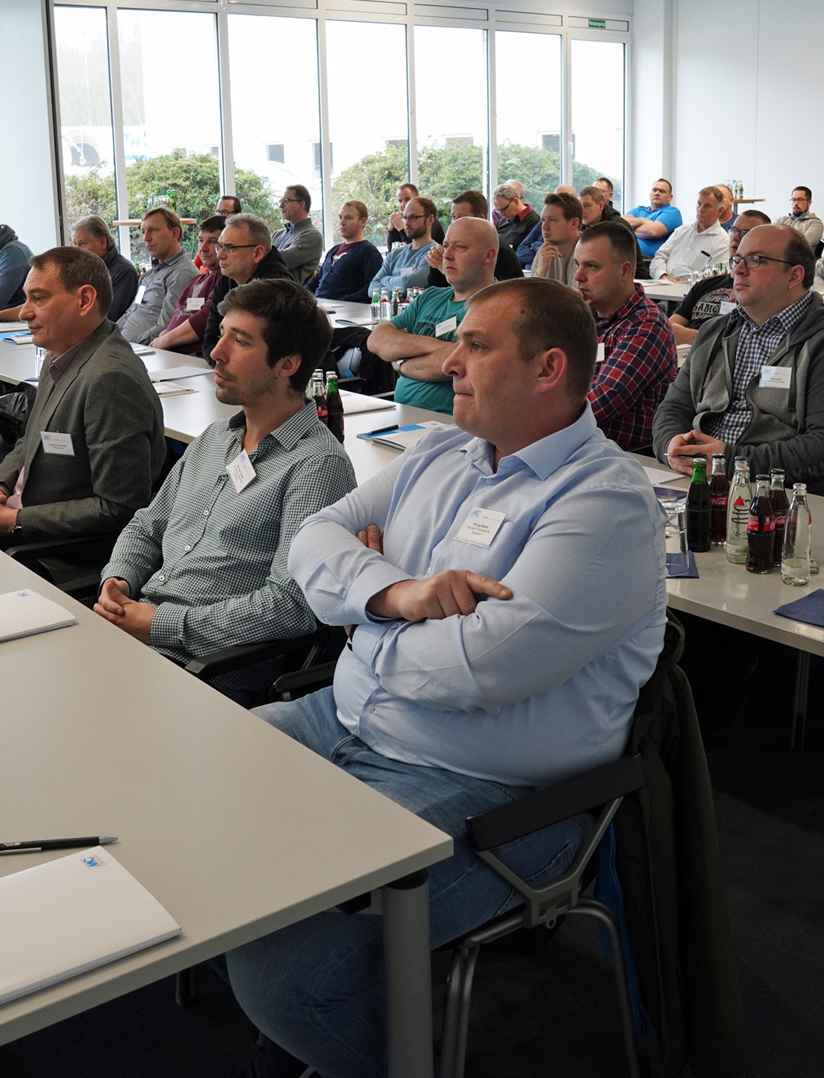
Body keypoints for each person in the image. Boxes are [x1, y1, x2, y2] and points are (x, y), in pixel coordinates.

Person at [232, 277, 666, 1078]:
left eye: (475, 345)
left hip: (493, 793)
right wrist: (398, 595)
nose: (449, 361)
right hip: (345, 720)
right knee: (198, 794)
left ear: (548, 368)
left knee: (289, 979)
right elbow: (311, 542)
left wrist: (361, 621)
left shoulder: (607, 503)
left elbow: (480, 669)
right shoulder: (439, 452)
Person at [94, 279, 355, 699]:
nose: (216, 352)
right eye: (221, 335)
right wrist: (119, 579)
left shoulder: (316, 467)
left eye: (240, 341)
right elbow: (147, 526)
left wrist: (159, 624)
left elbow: (290, 607)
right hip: (133, 631)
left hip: (199, 669)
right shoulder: (216, 438)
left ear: (287, 364)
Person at [0, 247, 166, 583]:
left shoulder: (110, 378)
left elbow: (119, 508)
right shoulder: (62, 354)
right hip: (22, 535)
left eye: (38, 298)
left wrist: (11, 521)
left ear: (84, 300)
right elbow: (30, 440)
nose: (24, 312)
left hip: (57, 558)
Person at [655, 224, 824, 495]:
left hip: (786, 499)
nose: (738, 270)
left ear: (794, 276)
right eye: (737, 260)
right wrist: (670, 446)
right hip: (697, 483)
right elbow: (673, 408)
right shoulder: (714, 332)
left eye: (755, 260)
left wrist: (730, 462)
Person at [367, 218, 501, 414]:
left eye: (460, 247)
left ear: (488, 256)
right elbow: (377, 340)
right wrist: (446, 348)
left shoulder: (499, 306)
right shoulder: (430, 297)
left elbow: (464, 363)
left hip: (452, 425)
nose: (447, 255)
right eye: (445, 246)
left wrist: (402, 363)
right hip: (402, 418)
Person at [573, 221, 679, 451]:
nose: (578, 276)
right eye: (577, 265)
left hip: (622, 454)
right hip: (579, 446)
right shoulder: (583, 316)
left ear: (624, 271)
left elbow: (600, 403)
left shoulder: (646, 325)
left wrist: (535, 418)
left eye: (591, 266)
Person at [0, 217, 138, 324]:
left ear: (102, 242)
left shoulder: (123, 270)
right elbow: (42, 303)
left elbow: (105, 318)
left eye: (82, 244)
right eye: (74, 244)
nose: (77, 250)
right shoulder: (82, 270)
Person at [201, 213, 299, 359]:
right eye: (219, 247)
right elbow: (210, 340)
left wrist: (224, 363)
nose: (220, 255)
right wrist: (220, 363)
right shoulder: (225, 280)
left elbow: (266, 357)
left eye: (229, 248)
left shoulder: (277, 291)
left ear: (257, 253)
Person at [670, 211, 765, 344]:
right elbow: (671, 326)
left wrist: (690, 336)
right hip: (683, 350)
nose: (735, 237)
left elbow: (746, 340)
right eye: (733, 231)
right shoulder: (705, 285)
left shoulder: (758, 290)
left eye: (745, 233)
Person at [116, 207, 196, 345]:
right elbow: (132, 310)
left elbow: (168, 327)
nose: (146, 238)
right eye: (143, 232)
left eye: (153, 230)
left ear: (174, 233)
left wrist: (129, 344)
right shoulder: (148, 275)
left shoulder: (182, 273)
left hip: (145, 350)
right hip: (124, 345)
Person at [151, 216, 225, 354]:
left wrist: (166, 339)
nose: (203, 248)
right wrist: (165, 334)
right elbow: (179, 314)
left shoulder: (224, 278)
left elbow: (205, 317)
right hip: (170, 351)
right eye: (201, 241)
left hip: (194, 356)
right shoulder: (196, 280)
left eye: (212, 241)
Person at [424, 193, 522, 286]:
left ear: (480, 218)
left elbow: (489, 293)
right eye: (453, 217)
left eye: (462, 217)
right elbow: (434, 289)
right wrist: (437, 264)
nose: (455, 222)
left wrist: (446, 271)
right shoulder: (448, 251)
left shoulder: (502, 253)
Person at [308, 200, 385, 303]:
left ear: (362, 222)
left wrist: (341, 302)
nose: (342, 222)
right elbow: (317, 279)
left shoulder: (368, 252)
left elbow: (371, 289)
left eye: (348, 218)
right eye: (340, 217)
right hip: (319, 305)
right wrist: (300, 295)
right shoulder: (334, 250)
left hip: (345, 308)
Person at [649, 186, 730, 281]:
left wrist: (685, 283)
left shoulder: (723, 241)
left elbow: (714, 279)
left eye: (707, 206)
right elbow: (659, 257)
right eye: (699, 204)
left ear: (720, 211)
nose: (701, 209)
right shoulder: (682, 230)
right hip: (663, 282)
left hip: (691, 288)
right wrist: (662, 276)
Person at [369, 195, 439, 295]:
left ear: (430, 219)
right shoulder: (395, 254)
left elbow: (407, 283)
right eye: (405, 218)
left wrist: (385, 280)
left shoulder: (434, 253)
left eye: (413, 217)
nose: (407, 223)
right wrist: (398, 293)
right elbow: (372, 288)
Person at [528, 192, 585, 287]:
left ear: (574, 224)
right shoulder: (544, 253)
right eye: (543, 220)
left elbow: (579, 295)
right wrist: (541, 272)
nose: (544, 227)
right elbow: (530, 295)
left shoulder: (587, 252)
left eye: (553, 220)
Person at [270, 184, 323, 283]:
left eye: (286, 201)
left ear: (301, 204)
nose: (281, 205)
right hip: (267, 285)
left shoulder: (312, 235)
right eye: (281, 201)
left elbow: (279, 261)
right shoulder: (277, 234)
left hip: (287, 289)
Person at [626, 178, 684, 260]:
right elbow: (619, 223)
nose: (657, 193)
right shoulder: (639, 210)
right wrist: (644, 222)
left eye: (662, 191)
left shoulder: (672, 213)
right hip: (627, 257)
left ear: (670, 197)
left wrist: (631, 228)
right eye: (654, 190)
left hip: (651, 261)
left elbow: (653, 232)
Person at [492, 181, 539, 250]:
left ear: (516, 201)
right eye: (498, 211)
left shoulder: (534, 222)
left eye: (504, 209)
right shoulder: (502, 221)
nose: (501, 214)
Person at [781, 185, 824, 250]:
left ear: (809, 203)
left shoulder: (815, 223)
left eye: (800, 199)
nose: (796, 203)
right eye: (794, 200)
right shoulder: (782, 220)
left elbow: (802, 244)